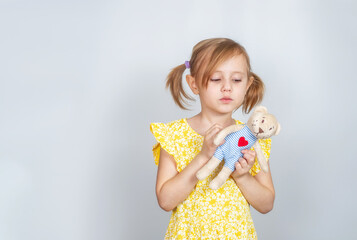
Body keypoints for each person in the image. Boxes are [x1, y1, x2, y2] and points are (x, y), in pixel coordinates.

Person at [150, 38, 275, 239]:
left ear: (247, 84)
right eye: (216, 79)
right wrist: (202, 156)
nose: (227, 87)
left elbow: (267, 204)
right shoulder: (174, 135)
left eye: (236, 80)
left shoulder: (251, 138)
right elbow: (166, 201)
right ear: (194, 83)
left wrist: (242, 176)